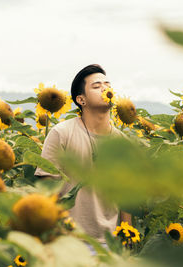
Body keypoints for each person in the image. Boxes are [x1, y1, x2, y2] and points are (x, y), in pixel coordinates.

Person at [34, 64, 132, 246]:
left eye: (107, 84)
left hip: (108, 244)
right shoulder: (61, 133)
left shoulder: (122, 142)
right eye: (96, 86)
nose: (105, 88)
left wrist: (127, 236)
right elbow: (47, 190)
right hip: (68, 240)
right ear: (81, 100)